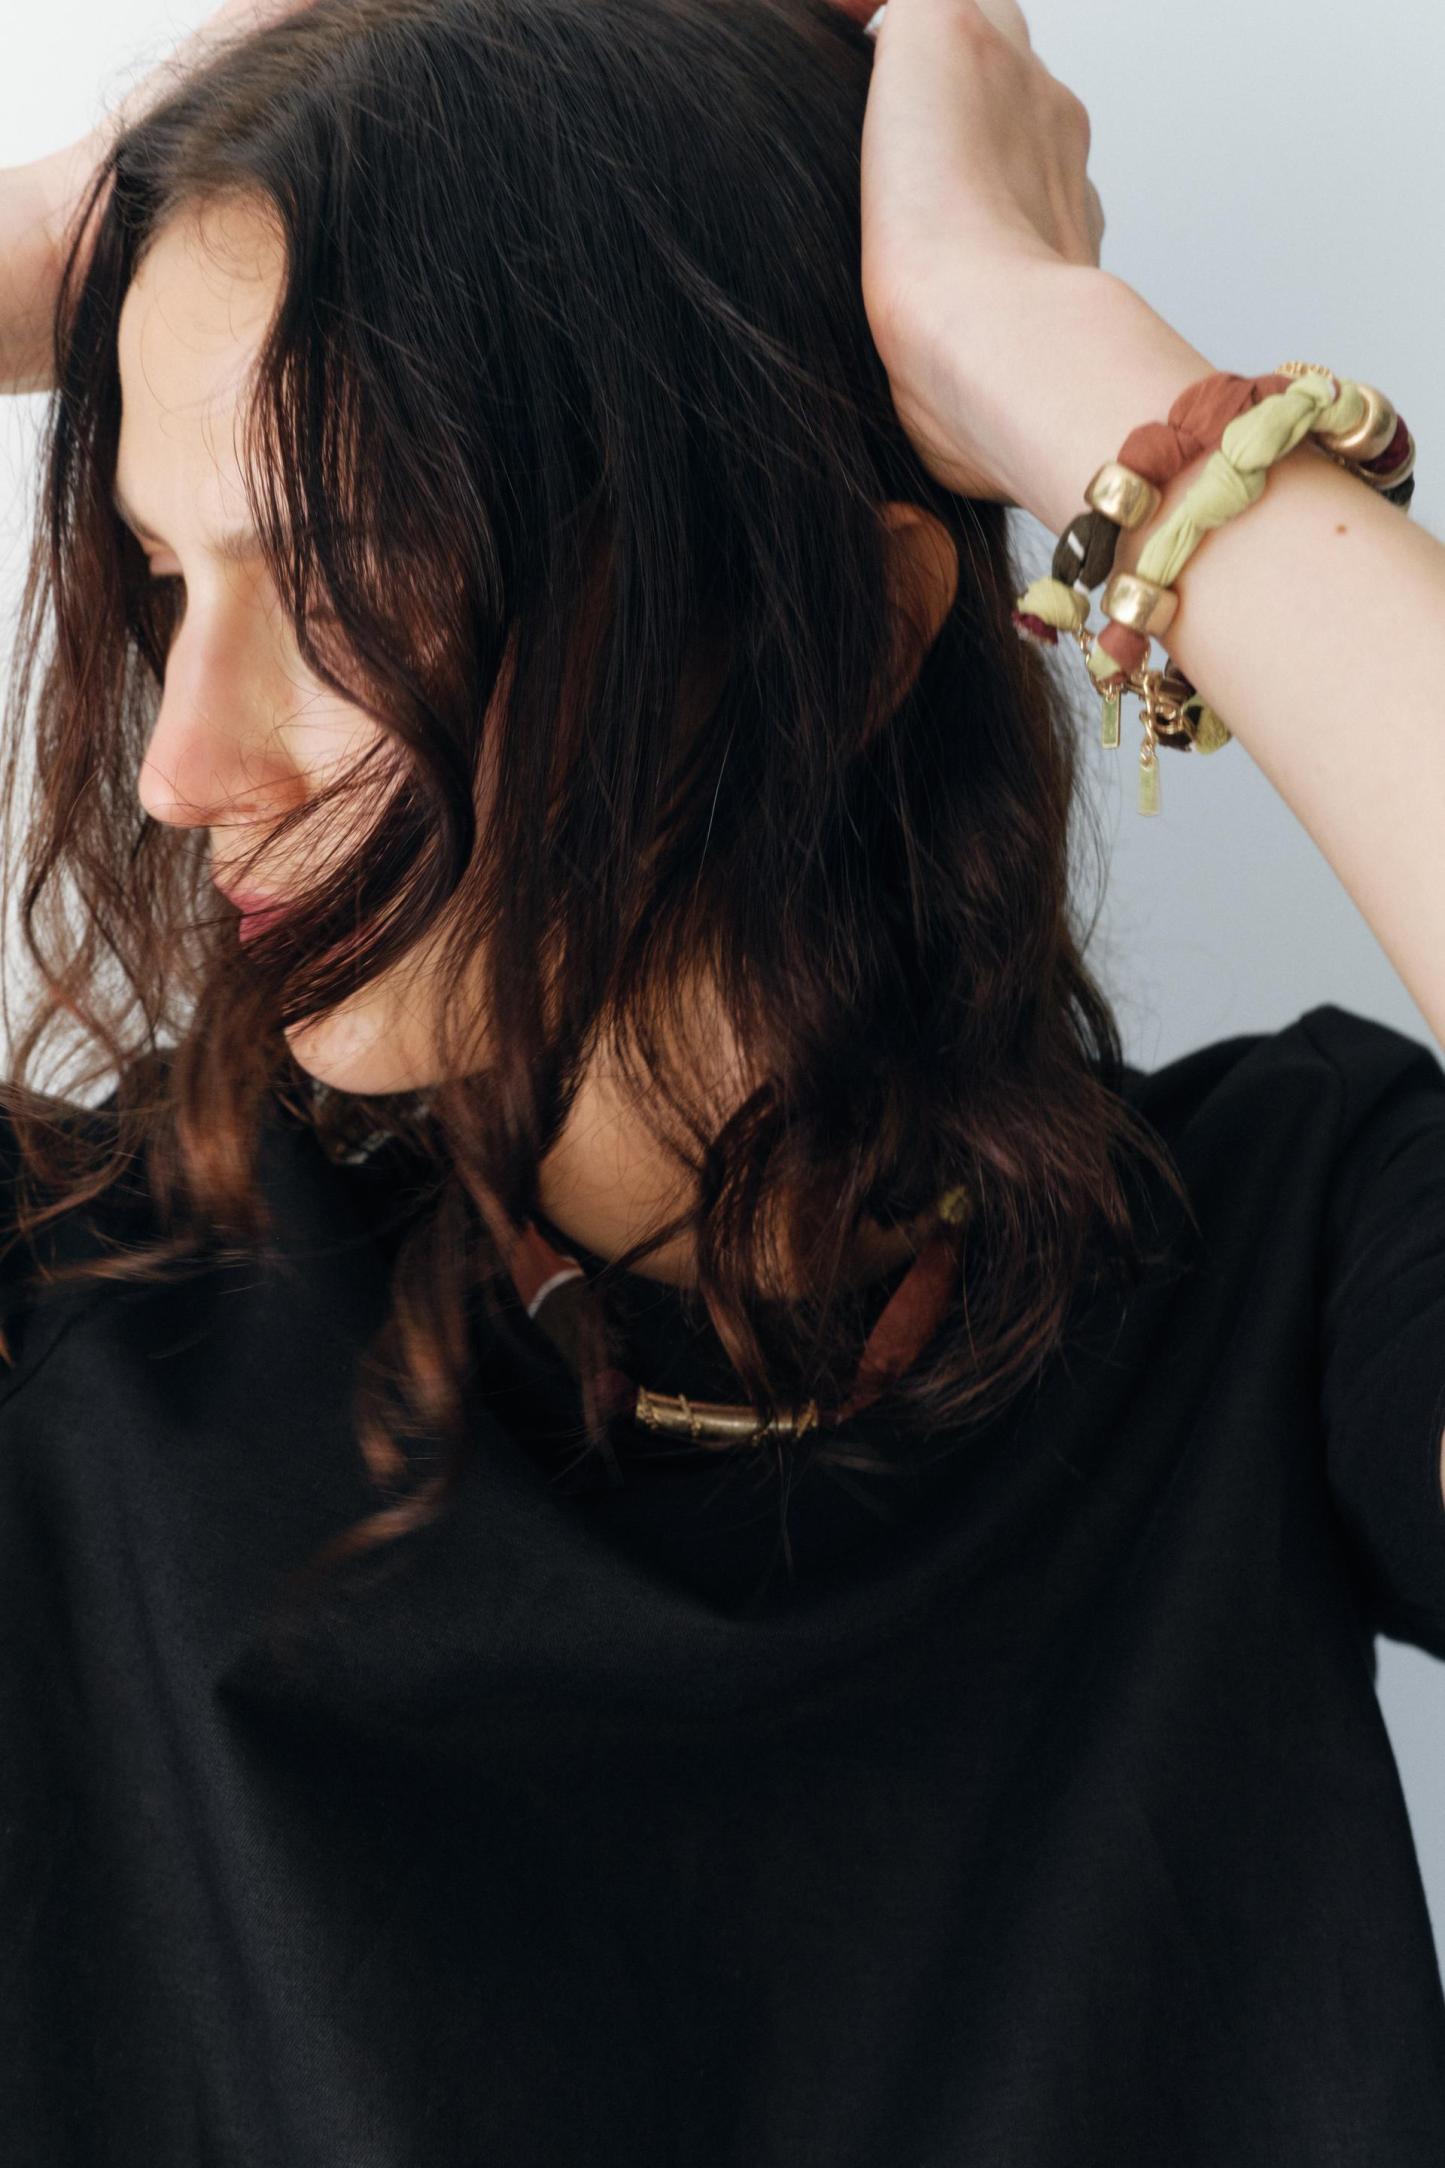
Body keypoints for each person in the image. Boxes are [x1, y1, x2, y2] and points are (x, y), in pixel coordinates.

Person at [1, 0, 1444, 2159]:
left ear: (833, 630)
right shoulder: (75, 1310)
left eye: (338, 569)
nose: (180, 763)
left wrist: (1034, 340)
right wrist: (102, 214)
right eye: (161, 572)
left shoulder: (1282, 1267)